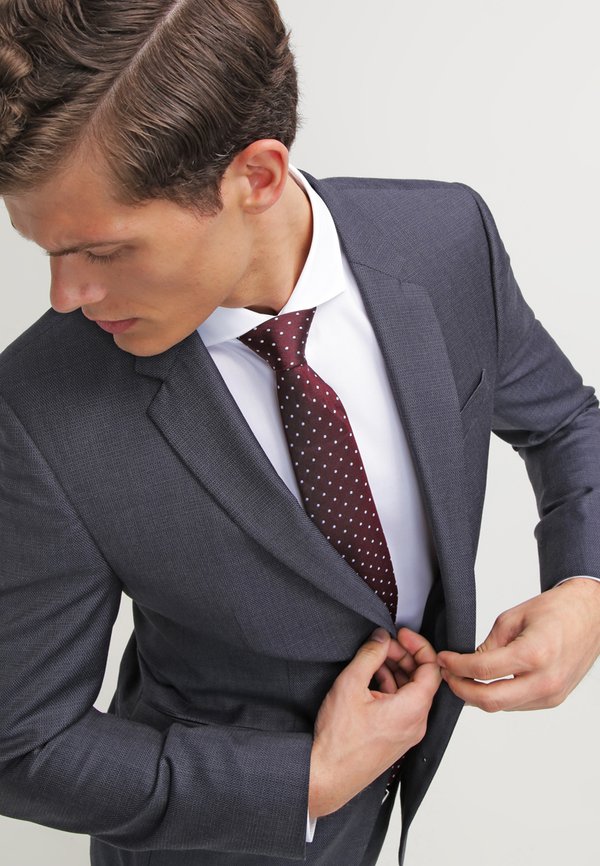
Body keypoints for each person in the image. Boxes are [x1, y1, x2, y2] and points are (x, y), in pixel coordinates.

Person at [1, 2, 599, 865]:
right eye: (45, 249)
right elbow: (23, 742)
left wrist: (584, 585)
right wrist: (303, 781)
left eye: (102, 251)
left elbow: (567, 422)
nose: (64, 295)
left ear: (257, 176)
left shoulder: (446, 239)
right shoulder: (36, 406)